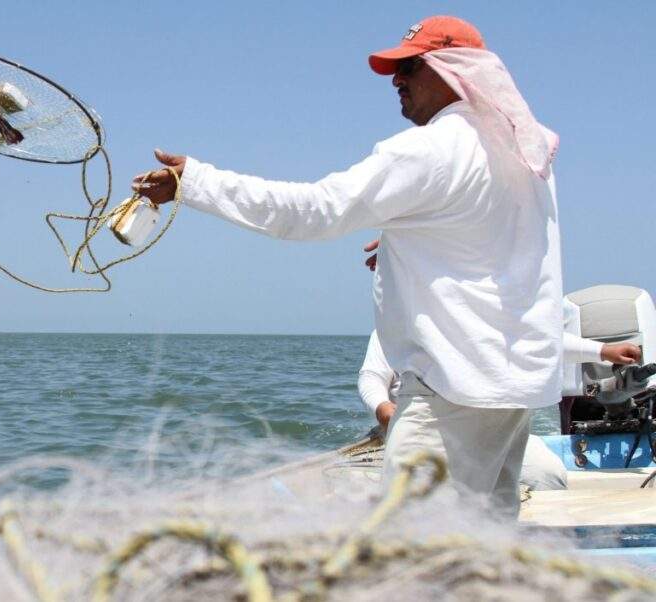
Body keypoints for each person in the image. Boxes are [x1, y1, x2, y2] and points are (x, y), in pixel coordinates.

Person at [134, 16, 568, 517]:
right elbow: (496, 245)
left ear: (455, 72)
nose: (396, 81)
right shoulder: (524, 149)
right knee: (483, 548)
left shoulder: (430, 150)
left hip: (453, 389)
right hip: (512, 390)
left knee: (410, 557)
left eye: (409, 67)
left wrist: (197, 182)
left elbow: (313, 210)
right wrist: (410, 243)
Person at [358, 328, 642, 491]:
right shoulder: (395, 327)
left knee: (547, 474)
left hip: (493, 427)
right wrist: (382, 407)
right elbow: (371, 377)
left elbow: (538, 340)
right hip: (424, 428)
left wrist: (602, 351)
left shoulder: (488, 318)